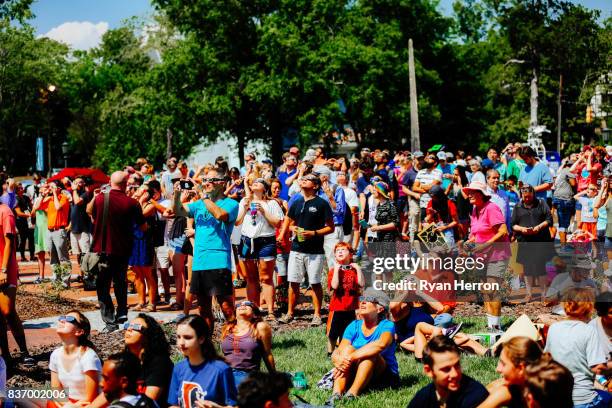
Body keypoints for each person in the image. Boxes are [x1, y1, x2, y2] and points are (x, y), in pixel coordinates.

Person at [171, 166, 239, 331]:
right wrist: (177, 194)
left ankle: (235, 343)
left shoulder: (231, 203)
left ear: (222, 183)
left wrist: (204, 198)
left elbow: (220, 215)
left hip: (218, 259)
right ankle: (208, 347)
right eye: (206, 180)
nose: (207, 183)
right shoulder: (199, 204)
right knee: (203, 309)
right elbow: (178, 210)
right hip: (200, 260)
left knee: (226, 307)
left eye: (211, 180)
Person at [87, 171, 146, 332]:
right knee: (120, 282)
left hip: (103, 250)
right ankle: (122, 312)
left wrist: (94, 196)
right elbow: (143, 226)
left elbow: (88, 211)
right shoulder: (132, 203)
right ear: (126, 183)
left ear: (110, 182)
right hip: (123, 249)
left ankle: (110, 322)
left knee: (103, 287)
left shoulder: (99, 199)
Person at [277, 173, 334, 326]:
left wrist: (314, 233)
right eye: (303, 179)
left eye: (307, 179)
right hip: (296, 248)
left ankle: (317, 314)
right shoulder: (296, 201)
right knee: (293, 282)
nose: (303, 180)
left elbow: (331, 227)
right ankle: (290, 313)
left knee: (315, 283)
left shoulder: (322, 203)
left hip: (315, 251)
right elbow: (288, 221)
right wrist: (288, 230)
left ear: (315, 186)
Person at [327, 288, 399, 404]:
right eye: (362, 299)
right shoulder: (354, 325)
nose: (363, 302)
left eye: (369, 299)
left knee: (370, 354)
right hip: (356, 370)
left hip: (384, 375)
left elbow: (381, 345)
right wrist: (338, 360)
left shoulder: (387, 325)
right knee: (347, 349)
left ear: (380, 308)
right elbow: (339, 350)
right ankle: (336, 394)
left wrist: (350, 357)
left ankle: (352, 394)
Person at [545, 288, 610, 408]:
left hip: (557, 397)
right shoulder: (589, 330)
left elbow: (546, 358)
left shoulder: (553, 328)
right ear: (589, 308)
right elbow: (598, 368)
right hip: (583, 400)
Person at [91, 313, 174, 408]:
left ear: (148, 335)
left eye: (136, 327)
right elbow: (108, 392)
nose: (129, 329)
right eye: (128, 326)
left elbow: (148, 401)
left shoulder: (159, 362)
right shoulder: (127, 360)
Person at [462, 180, 510, 332]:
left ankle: (496, 328)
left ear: (482, 194)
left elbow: (503, 231)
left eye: (473, 192)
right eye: (468, 192)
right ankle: (491, 327)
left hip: (497, 254)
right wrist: (468, 243)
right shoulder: (475, 210)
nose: (469, 194)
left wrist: (484, 245)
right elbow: (476, 235)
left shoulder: (491, 208)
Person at [235, 178, 283, 319]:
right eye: (254, 182)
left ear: (265, 188)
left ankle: (270, 311)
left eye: (259, 181)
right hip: (247, 241)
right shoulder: (244, 201)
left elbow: (277, 223)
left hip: (266, 240)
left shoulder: (272, 203)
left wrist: (263, 211)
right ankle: (254, 310)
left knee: (266, 278)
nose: (255, 182)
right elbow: (237, 222)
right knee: (251, 278)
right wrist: (244, 209)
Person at [168, 315, 237, 408]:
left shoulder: (220, 370)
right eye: (178, 337)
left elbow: (234, 405)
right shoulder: (179, 368)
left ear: (201, 339)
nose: (181, 343)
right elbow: (174, 404)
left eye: (187, 337)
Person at [407, 335, 489, 408]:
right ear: (429, 371)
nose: (455, 374)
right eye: (446, 369)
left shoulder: (476, 396)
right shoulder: (423, 398)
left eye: (457, 365)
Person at [49, 311, 102, 406]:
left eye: (69, 319)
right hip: (66, 402)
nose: (62, 321)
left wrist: (71, 406)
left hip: (86, 405)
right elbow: (56, 391)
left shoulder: (88, 356)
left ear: (79, 331)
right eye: (62, 318)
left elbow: (91, 398)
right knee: (16, 394)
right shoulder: (55, 355)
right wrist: (67, 405)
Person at [511, 184, 554, 302]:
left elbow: (549, 219)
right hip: (525, 241)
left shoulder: (541, 203)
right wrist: (522, 229)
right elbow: (513, 224)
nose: (527, 199)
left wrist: (539, 227)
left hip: (540, 240)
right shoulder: (517, 206)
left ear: (533, 194)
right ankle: (529, 294)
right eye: (524, 197)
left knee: (541, 267)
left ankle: (544, 294)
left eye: (529, 196)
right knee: (527, 268)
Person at [220, 300, 275, 386]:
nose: (242, 305)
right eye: (239, 305)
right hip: (225, 372)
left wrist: (274, 377)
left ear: (254, 313)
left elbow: (267, 354)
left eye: (247, 304)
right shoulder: (228, 328)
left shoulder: (260, 327)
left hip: (246, 374)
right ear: (235, 313)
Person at [479, 337, 543, 408]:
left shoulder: (549, 391)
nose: (498, 369)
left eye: (503, 364)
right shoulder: (508, 390)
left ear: (521, 368)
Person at [327, 242, 364, 356]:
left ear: (351, 254)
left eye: (343, 250)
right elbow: (334, 286)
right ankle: (330, 352)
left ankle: (343, 351)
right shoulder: (333, 271)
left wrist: (358, 269)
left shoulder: (354, 270)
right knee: (333, 333)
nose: (340, 252)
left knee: (347, 331)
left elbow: (361, 284)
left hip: (351, 307)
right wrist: (337, 270)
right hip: (337, 307)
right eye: (337, 251)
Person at [39, 181, 72, 287]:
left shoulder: (63, 198)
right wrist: (42, 194)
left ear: (58, 188)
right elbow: (39, 206)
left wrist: (54, 194)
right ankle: (56, 279)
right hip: (49, 231)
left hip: (59, 230)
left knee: (63, 257)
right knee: (53, 257)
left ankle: (65, 281)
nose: (50, 188)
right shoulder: (50, 199)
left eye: (53, 187)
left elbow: (58, 207)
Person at [69, 177, 92, 280]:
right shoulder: (74, 194)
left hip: (84, 229)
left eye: (81, 182)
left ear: (83, 184)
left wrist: (73, 190)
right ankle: (82, 274)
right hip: (74, 229)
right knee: (77, 254)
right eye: (76, 182)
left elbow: (78, 202)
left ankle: (88, 274)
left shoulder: (85, 194)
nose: (78, 184)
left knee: (85, 253)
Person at [552, 157, 577, 243]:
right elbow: (573, 183)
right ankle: (563, 245)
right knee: (564, 223)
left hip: (557, 198)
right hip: (564, 199)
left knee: (562, 222)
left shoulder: (561, 171)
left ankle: (564, 243)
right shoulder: (568, 171)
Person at [413, 153, 442, 223]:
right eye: (427, 157)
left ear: (435, 163)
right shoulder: (421, 172)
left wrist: (421, 186)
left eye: (431, 157)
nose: (427, 159)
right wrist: (427, 189)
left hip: (434, 204)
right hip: (423, 203)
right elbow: (414, 188)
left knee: (435, 225)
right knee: (424, 224)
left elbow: (432, 187)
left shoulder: (438, 172)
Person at [13, 183, 34, 262]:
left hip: (29, 220)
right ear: (16, 191)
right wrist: (28, 215)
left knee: (31, 238)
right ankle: (22, 256)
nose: (22, 189)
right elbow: (18, 212)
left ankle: (32, 256)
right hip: (20, 221)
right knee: (23, 239)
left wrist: (32, 213)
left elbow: (31, 206)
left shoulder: (26, 197)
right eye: (20, 188)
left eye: (22, 188)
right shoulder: (15, 199)